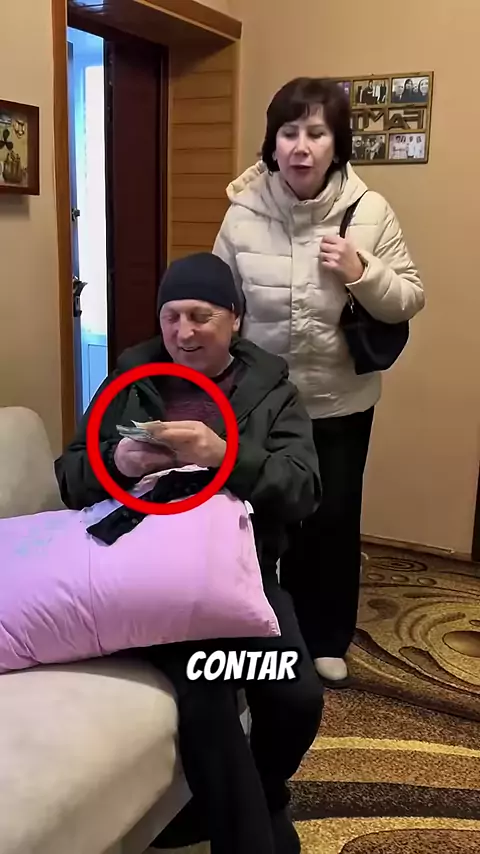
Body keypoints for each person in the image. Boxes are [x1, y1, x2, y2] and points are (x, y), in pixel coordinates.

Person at [55, 252, 324, 854]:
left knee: (296, 695)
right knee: (207, 694)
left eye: (201, 316)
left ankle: (262, 792)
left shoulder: (273, 391)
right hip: (145, 575)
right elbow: (70, 476)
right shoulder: (129, 380)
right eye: (171, 317)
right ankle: (250, 831)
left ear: (235, 318)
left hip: (241, 572)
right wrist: (114, 462)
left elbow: (303, 489)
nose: (183, 333)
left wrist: (223, 455)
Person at [213, 77, 425, 687]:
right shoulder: (242, 214)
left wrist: (362, 271)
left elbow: (409, 298)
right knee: (260, 514)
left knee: (331, 519)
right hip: (263, 404)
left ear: (337, 144)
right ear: (272, 142)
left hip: (341, 402)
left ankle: (326, 635)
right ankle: (259, 627)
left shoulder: (370, 211)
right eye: (289, 132)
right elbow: (222, 301)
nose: (301, 146)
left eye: (316, 132)